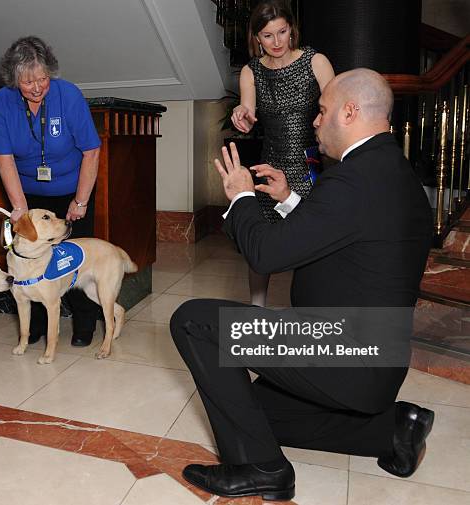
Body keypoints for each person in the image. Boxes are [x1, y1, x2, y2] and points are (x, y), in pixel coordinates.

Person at [170, 69, 435, 501]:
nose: (315, 120)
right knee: (256, 412)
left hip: (342, 350)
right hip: (376, 360)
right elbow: (349, 240)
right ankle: (393, 430)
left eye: (323, 111)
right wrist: (290, 201)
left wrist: (241, 197)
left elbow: (267, 254)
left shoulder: (353, 180)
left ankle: (261, 468)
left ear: (350, 112)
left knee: (193, 320)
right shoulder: (394, 174)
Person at [0, 36, 101, 347]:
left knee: (74, 259)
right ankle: (35, 326)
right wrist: (19, 208)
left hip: (71, 191)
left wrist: (81, 201)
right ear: (14, 79)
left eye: (42, 79)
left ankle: (84, 323)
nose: (37, 87)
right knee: (28, 260)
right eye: (27, 82)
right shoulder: (1, 102)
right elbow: (5, 159)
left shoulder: (69, 95)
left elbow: (91, 150)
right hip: (28, 195)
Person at [231, 0, 334, 307]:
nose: (276, 42)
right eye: (267, 35)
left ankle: (312, 309)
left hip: (310, 166)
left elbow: (336, 108)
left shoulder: (316, 61)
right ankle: (257, 310)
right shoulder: (251, 72)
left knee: (313, 241)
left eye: (282, 32)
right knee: (260, 245)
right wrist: (241, 113)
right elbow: (247, 111)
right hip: (270, 166)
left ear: (292, 30)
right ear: (256, 38)